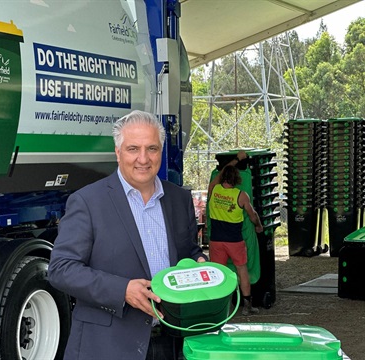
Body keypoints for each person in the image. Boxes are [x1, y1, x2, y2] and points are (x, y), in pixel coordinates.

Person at [48, 110, 207, 360]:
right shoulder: (88, 201)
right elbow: (61, 269)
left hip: (170, 341)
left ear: (161, 152)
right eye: (133, 148)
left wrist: (199, 265)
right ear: (118, 152)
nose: (143, 159)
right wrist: (121, 290)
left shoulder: (179, 199)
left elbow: (190, 252)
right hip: (107, 346)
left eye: (152, 149)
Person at [207, 150, 263, 316]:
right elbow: (253, 215)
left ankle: (219, 308)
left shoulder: (214, 190)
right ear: (237, 179)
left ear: (223, 177)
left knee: (218, 274)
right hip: (235, 241)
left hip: (216, 240)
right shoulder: (241, 196)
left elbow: (221, 174)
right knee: (242, 271)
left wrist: (235, 160)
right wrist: (259, 226)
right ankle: (247, 306)